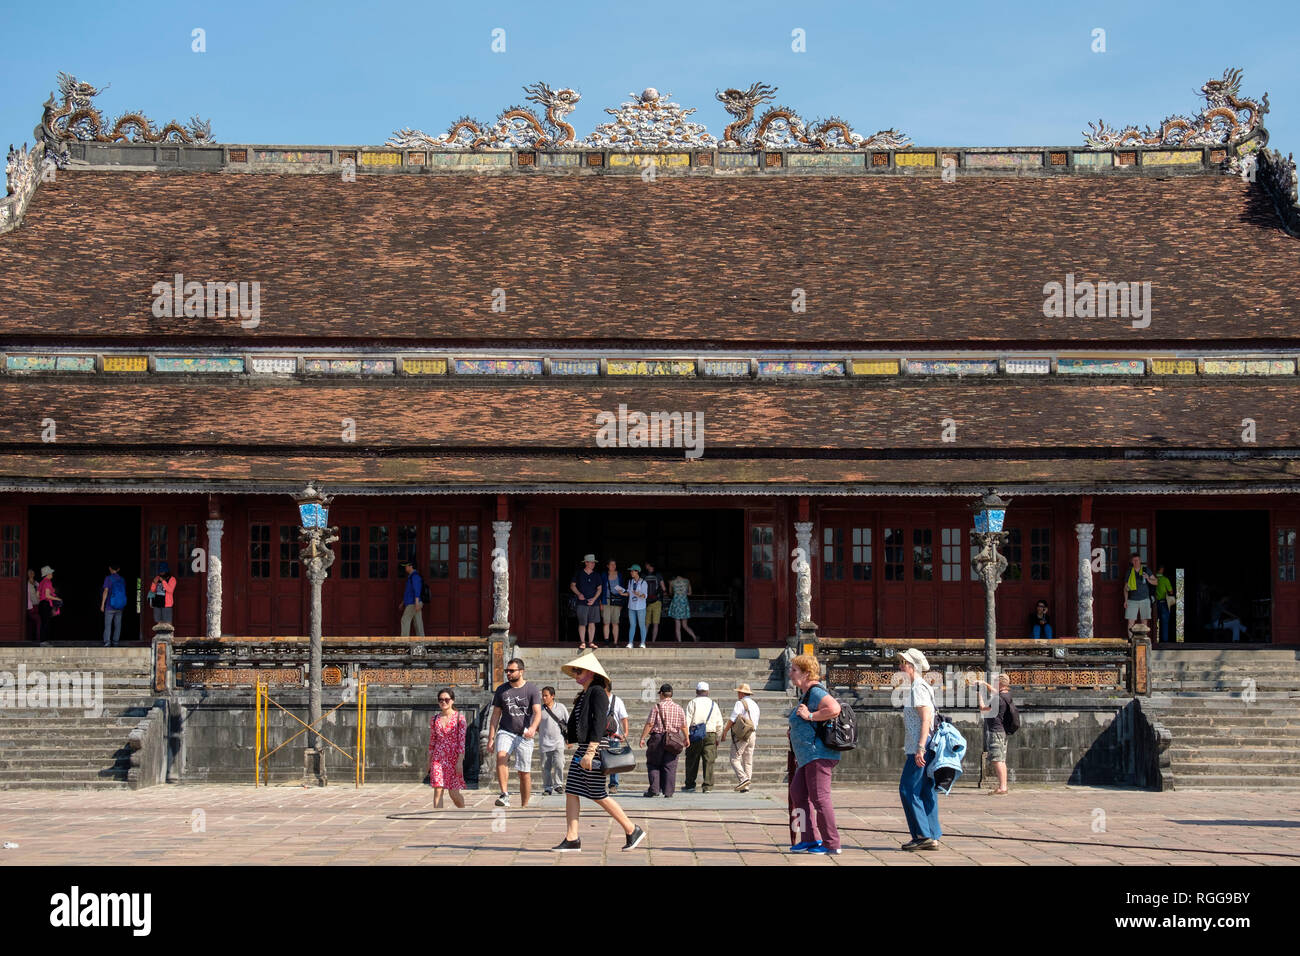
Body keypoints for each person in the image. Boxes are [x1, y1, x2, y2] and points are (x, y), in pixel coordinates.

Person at [552, 651, 647, 852]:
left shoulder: (597, 692)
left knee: (597, 793)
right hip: (584, 747)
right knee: (572, 791)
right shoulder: (584, 695)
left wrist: (590, 751)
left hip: (594, 748)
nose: (576, 674)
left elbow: (600, 722)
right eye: (575, 671)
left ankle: (632, 829)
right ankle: (572, 838)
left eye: (579, 671)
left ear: (592, 672)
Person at [787, 653, 842, 854]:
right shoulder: (806, 694)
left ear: (807, 673)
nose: (790, 674)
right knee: (798, 793)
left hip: (818, 754)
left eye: (794, 670)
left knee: (820, 798)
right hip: (806, 757)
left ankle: (832, 843)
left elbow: (834, 708)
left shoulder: (816, 691)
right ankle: (810, 839)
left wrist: (810, 716)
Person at [897, 648, 941, 851]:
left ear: (911, 666)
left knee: (908, 789)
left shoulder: (918, 688)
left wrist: (920, 748)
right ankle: (932, 835)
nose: (900, 667)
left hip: (920, 747)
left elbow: (926, 720)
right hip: (925, 746)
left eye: (903, 663)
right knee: (925, 791)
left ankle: (922, 835)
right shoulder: (920, 686)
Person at [488, 658, 542, 808]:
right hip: (506, 731)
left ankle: (524, 806)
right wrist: (491, 738)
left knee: (524, 773)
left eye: (512, 671)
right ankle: (505, 794)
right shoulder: (502, 690)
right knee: (501, 756)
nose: (508, 673)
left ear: (521, 671)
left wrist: (532, 728)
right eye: (507, 671)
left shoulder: (531, 689)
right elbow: (495, 715)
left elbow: (538, 713)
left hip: (524, 735)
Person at [639, 683, 686, 797]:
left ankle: (654, 790)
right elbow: (683, 725)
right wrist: (687, 738)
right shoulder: (678, 708)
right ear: (671, 694)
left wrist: (643, 737)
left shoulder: (657, 707)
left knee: (653, 763)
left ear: (661, 694)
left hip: (658, 738)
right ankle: (668, 792)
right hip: (673, 739)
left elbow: (650, 724)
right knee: (670, 765)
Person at [681, 681, 723, 792]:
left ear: (696, 691)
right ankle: (707, 786)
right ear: (707, 692)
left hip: (695, 734)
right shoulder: (714, 704)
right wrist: (718, 737)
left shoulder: (692, 703)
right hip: (710, 733)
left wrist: (686, 736)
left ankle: (690, 785)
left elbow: (687, 720)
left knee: (692, 759)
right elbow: (719, 723)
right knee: (709, 760)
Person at [428, 687, 466, 809]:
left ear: (452, 701)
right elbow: (432, 742)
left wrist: (460, 761)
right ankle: (437, 817)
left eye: (446, 699)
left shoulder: (460, 718)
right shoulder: (435, 719)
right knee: (438, 789)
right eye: (440, 700)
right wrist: (429, 761)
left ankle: (463, 811)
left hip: (453, 758)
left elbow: (461, 742)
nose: (443, 702)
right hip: (438, 758)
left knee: (453, 793)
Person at [720, 682, 760, 793]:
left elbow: (732, 719)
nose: (738, 694)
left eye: (738, 692)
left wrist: (725, 731)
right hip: (752, 733)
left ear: (742, 693)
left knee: (734, 758)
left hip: (742, 735)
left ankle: (743, 779)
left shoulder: (740, 703)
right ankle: (746, 785)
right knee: (748, 760)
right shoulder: (755, 705)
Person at [978, 673, 1013, 795]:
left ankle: (1002, 787)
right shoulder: (1006, 695)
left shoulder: (997, 699)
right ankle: (1003, 786)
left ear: (1000, 683)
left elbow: (983, 709)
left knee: (997, 760)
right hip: (1002, 730)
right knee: (1002, 760)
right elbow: (995, 691)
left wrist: (980, 696)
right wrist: (984, 684)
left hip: (995, 731)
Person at [539, 686, 570, 796]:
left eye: (546, 695)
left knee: (559, 764)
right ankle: (547, 787)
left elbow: (568, 723)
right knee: (545, 767)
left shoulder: (561, 707)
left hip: (558, 742)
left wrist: (569, 739)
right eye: (542, 695)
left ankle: (558, 785)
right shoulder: (539, 709)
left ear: (553, 696)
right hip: (544, 743)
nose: (543, 697)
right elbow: (535, 725)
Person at [569, 554, 603, 650]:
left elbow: (600, 589)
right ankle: (583, 642)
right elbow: (572, 585)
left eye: (594, 563)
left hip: (594, 603)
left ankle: (591, 642)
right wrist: (579, 594)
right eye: (591, 562)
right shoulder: (579, 573)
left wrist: (594, 599)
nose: (593, 564)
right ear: (586, 563)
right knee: (582, 623)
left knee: (592, 623)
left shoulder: (596, 575)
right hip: (582, 602)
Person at [1121, 553, 1157, 638]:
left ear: (1140, 561)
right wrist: (1125, 600)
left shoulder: (1145, 570)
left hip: (1145, 599)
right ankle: (1131, 641)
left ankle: (1143, 641)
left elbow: (1156, 582)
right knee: (1130, 622)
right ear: (1131, 562)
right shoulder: (1129, 572)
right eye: (1134, 560)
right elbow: (1125, 588)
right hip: (1132, 600)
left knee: (1144, 621)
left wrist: (1148, 578)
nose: (1136, 562)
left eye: (1137, 560)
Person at [606, 687, 629, 794]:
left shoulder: (617, 701)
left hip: (614, 737)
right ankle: (598, 783)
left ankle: (613, 784)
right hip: (599, 736)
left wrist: (625, 732)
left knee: (614, 762)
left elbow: (624, 718)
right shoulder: (597, 699)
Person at [600, 559, 627, 646]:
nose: (613, 566)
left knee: (615, 622)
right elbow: (600, 589)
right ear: (607, 566)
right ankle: (606, 642)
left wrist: (622, 603)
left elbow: (623, 589)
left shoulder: (619, 575)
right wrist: (601, 602)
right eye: (611, 564)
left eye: (614, 564)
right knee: (606, 622)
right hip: (606, 600)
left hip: (617, 600)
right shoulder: (604, 575)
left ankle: (615, 642)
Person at [666, 571, 698, 642]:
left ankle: (680, 642)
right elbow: (690, 593)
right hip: (684, 603)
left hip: (676, 603)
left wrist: (676, 591)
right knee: (685, 625)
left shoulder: (672, 582)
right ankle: (694, 637)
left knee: (677, 625)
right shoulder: (687, 581)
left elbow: (670, 593)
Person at [100, 563, 127, 647]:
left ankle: (107, 642)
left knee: (108, 625)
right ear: (118, 569)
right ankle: (115, 642)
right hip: (120, 606)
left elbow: (105, 591)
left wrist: (102, 604)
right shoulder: (122, 579)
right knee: (118, 625)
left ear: (110, 568)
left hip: (109, 605)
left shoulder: (108, 578)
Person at [625, 565, 648, 649]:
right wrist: (622, 593)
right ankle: (630, 643)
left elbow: (645, 595)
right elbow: (628, 593)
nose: (631, 572)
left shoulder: (643, 582)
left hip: (641, 607)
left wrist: (639, 594)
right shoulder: (630, 582)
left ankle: (642, 643)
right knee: (632, 625)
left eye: (632, 571)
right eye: (630, 571)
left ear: (637, 571)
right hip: (631, 606)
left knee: (642, 625)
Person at [148, 562, 176, 630]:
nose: (161, 573)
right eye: (160, 572)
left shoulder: (172, 579)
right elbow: (152, 590)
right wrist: (154, 583)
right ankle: (160, 640)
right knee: (159, 623)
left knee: (168, 624)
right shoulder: (157, 578)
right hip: (157, 603)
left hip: (167, 604)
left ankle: (170, 639)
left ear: (166, 571)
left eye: (163, 572)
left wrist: (163, 581)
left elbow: (170, 590)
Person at [400, 561, 424, 637]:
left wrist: (416, 603)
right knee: (418, 622)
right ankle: (421, 642)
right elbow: (408, 592)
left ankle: (404, 641)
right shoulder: (411, 577)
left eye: (406, 566)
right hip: (414, 602)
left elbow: (417, 590)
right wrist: (403, 603)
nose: (405, 568)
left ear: (411, 566)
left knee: (405, 620)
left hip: (413, 603)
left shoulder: (415, 576)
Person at [642, 562, 664, 643]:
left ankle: (643, 641)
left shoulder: (643, 576)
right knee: (655, 623)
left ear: (649, 565)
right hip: (657, 602)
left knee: (646, 623)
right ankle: (653, 641)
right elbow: (664, 588)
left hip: (646, 602)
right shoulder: (658, 575)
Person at [36, 565, 58, 640]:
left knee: (43, 623)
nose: (52, 574)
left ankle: (42, 641)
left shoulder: (41, 582)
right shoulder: (48, 582)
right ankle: (44, 641)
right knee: (46, 624)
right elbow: (47, 595)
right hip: (45, 604)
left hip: (41, 604)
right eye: (51, 573)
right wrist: (57, 599)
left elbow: (37, 594)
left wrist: (41, 600)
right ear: (47, 574)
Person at [1154, 565, 1174, 642]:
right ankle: (1164, 642)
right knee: (1164, 624)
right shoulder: (1165, 579)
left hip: (1154, 604)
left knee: (1154, 623)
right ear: (1161, 570)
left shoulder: (1152, 578)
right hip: (1164, 603)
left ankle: (1154, 640)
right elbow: (1171, 591)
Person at [25, 569, 41, 642]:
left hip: (37, 605)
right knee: (37, 621)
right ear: (28, 575)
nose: (31, 574)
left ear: (34, 574)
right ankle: (37, 638)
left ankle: (36, 638)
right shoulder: (26, 584)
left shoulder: (36, 583)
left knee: (36, 622)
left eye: (32, 573)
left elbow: (42, 590)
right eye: (30, 573)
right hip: (30, 606)